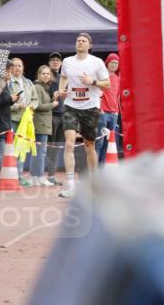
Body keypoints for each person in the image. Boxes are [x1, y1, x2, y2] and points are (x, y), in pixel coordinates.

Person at [58, 32, 111, 197]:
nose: (80, 43)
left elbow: (107, 84)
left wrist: (92, 82)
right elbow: (64, 78)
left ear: (90, 45)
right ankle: (71, 185)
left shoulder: (97, 62)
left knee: (89, 146)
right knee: (69, 144)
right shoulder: (67, 61)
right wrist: (61, 90)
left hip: (90, 107)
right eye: (78, 41)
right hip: (71, 106)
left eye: (83, 41)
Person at [9, 57, 39, 186]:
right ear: (10, 68)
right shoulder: (7, 83)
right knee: (10, 149)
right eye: (14, 66)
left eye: (19, 66)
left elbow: (35, 99)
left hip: (25, 120)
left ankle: (19, 176)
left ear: (23, 68)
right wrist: (17, 106)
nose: (17, 68)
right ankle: (9, 176)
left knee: (21, 150)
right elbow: (4, 104)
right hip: (12, 119)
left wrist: (32, 105)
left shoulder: (28, 83)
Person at [32, 65, 58, 186]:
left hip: (44, 124)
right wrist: (52, 105)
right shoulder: (38, 87)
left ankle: (36, 176)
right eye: (44, 73)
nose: (46, 75)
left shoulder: (44, 87)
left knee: (38, 151)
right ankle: (39, 176)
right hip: (40, 124)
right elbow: (37, 106)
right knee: (41, 151)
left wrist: (54, 98)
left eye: (48, 74)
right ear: (38, 75)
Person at [45, 52, 65, 185]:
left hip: (63, 115)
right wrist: (54, 97)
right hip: (50, 115)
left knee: (57, 147)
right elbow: (42, 97)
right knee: (48, 147)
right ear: (49, 63)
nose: (56, 62)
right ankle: (42, 175)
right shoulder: (46, 77)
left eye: (58, 60)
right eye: (53, 60)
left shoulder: (63, 77)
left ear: (61, 63)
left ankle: (52, 175)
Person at [97, 53, 120, 165]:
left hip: (114, 114)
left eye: (116, 63)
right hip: (103, 113)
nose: (114, 65)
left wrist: (116, 112)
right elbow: (97, 94)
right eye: (112, 62)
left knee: (109, 143)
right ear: (107, 63)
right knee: (100, 142)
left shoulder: (118, 78)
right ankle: (95, 168)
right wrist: (100, 110)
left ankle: (103, 167)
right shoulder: (102, 78)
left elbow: (118, 96)